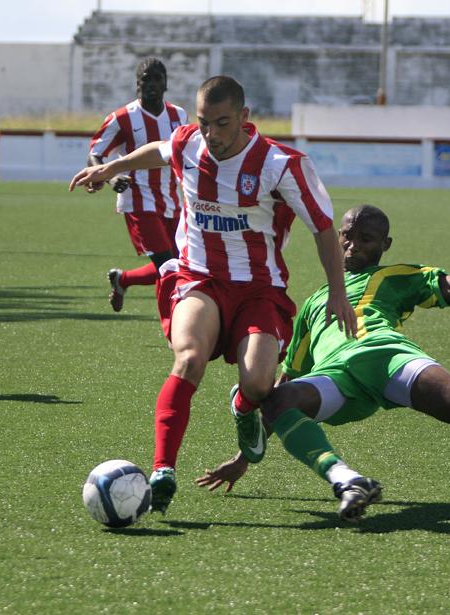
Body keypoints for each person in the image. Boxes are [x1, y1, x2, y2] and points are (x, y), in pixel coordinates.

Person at [70, 75, 357, 513]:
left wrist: (338, 293)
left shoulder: (280, 164)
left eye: (222, 124)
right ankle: (163, 470)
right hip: (199, 279)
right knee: (187, 359)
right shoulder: (188, 143)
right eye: (204, 122)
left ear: (244, 117)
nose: (212, 134)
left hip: (260, 289)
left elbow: (322, 228)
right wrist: (110, 168)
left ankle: (244, 409)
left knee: (259, 383)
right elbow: (160, 150)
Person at [196, 202, 450, 522]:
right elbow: (287, 381)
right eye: (347, 235)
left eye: (366, 239)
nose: (352, 245)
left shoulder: (398, 275)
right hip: (339, 380)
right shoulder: (313, 303)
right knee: (276, 400)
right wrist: (244, 456)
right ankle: (347, 481)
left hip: (389, 359)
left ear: (385, 244)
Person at [86, 58, 187, 312]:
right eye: (146, 79)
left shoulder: (179, 115)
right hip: (138, 198)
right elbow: (95, 153)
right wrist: (109, 177)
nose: (151, 84)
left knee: (180, 264)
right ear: (137, 84)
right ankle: (173, 323)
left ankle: (123, 279)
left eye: (157, 79)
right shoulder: (121, 118)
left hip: (172, 199)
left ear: (166, 84)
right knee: (167, 264)